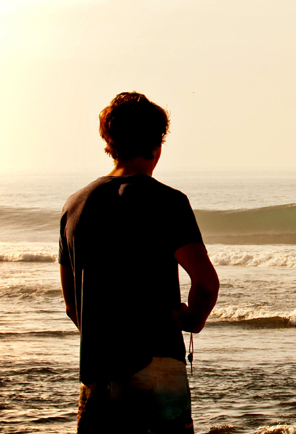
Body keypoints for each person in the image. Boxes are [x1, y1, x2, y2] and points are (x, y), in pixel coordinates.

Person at [60, 92, 220, 434]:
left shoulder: (74, 206)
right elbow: (206, 283)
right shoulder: (167, 202)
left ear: (110, 142)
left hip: (97, 374)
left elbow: (73, 306)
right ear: (156, 144)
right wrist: (193, 319)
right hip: (157, 368)